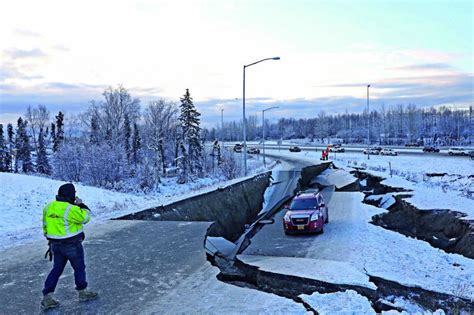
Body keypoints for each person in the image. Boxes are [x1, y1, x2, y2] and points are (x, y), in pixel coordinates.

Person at [41, 183, 98, 309]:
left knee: (56, 270)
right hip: (72, 245)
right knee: (79, 268)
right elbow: (85, 217)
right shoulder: (71, 209)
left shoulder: (48, 207)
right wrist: (81, 205)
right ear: (70, 195)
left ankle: (47, 297)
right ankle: (83, 292)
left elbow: (45, 226)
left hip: (55, 245)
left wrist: (50, 240)